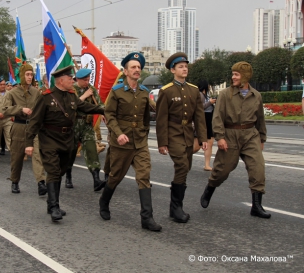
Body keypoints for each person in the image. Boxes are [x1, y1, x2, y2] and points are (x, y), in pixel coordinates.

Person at [25, 65, 104, 222]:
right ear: (61, 80)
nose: (72, 81)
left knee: (60, 171)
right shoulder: (46, 97)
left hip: (66, 139)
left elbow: (84, 107)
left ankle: (51, 203)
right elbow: (34, 121)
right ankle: (54, 207)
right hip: (49, 139)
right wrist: (29, 143)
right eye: (70, 78)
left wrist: (104, 110)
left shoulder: (71, 95)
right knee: (53, 171)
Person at [98, 53, 161, 231]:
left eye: (138, 67)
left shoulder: (144, 92)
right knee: (116, 176)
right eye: (133, 67)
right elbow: (109, 115)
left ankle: (147, 218)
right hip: (122, 143)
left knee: (144, 177)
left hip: (140, 142)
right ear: (125, 71)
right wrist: (117, 133)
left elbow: (150, 114)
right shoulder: (117, 92)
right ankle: (104, 201)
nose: (136, 70)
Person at [200, 61, 271, 219]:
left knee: (258, 168)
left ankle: (257, 206)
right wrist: (220, 137)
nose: (233, 77)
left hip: (251, 135)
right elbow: (217, 117)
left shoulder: (256, 96)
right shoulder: (225, 94)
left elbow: (260, 119)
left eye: (236, 74)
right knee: (221, 171)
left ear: (245, 76)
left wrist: (262, 138)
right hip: (230, 135)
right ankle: (210, 188)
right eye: (233, 74)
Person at [156, 52, 207, 223]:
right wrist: (162, 142)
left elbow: (199, 116)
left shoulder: (193, 90)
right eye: (180, 67)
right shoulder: (167, 91)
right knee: (182, 166)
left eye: (186, 66)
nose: (184, 69)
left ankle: (174, 207)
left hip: (187, 134)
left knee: (186, 168)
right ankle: (177, 208)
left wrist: (202, 138)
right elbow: (161, 118)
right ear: (173, 70)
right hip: (173, 134)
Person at [3, 64, 47, 195]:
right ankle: (15, 181)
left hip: (34, 128)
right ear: (22, 76)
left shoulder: (36, 92)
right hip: (19, 127)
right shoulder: (12, 93)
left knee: (38, 155)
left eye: (31, 74)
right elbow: (5, 109)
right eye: (27, 74)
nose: (30, 77)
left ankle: (41, 182)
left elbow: (41, 109)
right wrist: (20, 109)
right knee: (17, 157)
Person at [67, 68, 106, 191]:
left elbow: (99, 103)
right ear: (77, 79)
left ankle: (96, 179)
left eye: (88, 79)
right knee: (71, 152)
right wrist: (84, 95)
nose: (87, 82)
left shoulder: (91, 89)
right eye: (84, 80)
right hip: (73, 124)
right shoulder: (71, 89)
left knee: (91, 150)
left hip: (87, 125)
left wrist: (104, 112)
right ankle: (68, 176)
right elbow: (72, 104)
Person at [196, 80, 216, 171]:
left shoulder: (205, 95)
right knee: (200, 145)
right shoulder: (200, 95)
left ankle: (207, 164)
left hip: (209, 119)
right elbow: (200, 107)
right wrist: (210, 102)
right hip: (204, 119)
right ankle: (183, 158)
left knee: (209, 143)